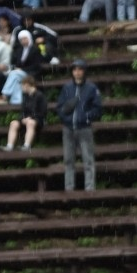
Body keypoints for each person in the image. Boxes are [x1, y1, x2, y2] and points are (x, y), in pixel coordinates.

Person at [57, 59, 101, 191]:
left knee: (88, 160)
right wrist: (65, 118)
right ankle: (69, 188)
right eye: (75, 69)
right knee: (68, 160)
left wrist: (86, 117)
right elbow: (60, 106)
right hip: (68, 128)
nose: (77, 72)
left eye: (80, 69)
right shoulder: (67, 87)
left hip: (84, 128)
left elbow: (97, 108)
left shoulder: (92, 88)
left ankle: (89, 188)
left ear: (84, 71)